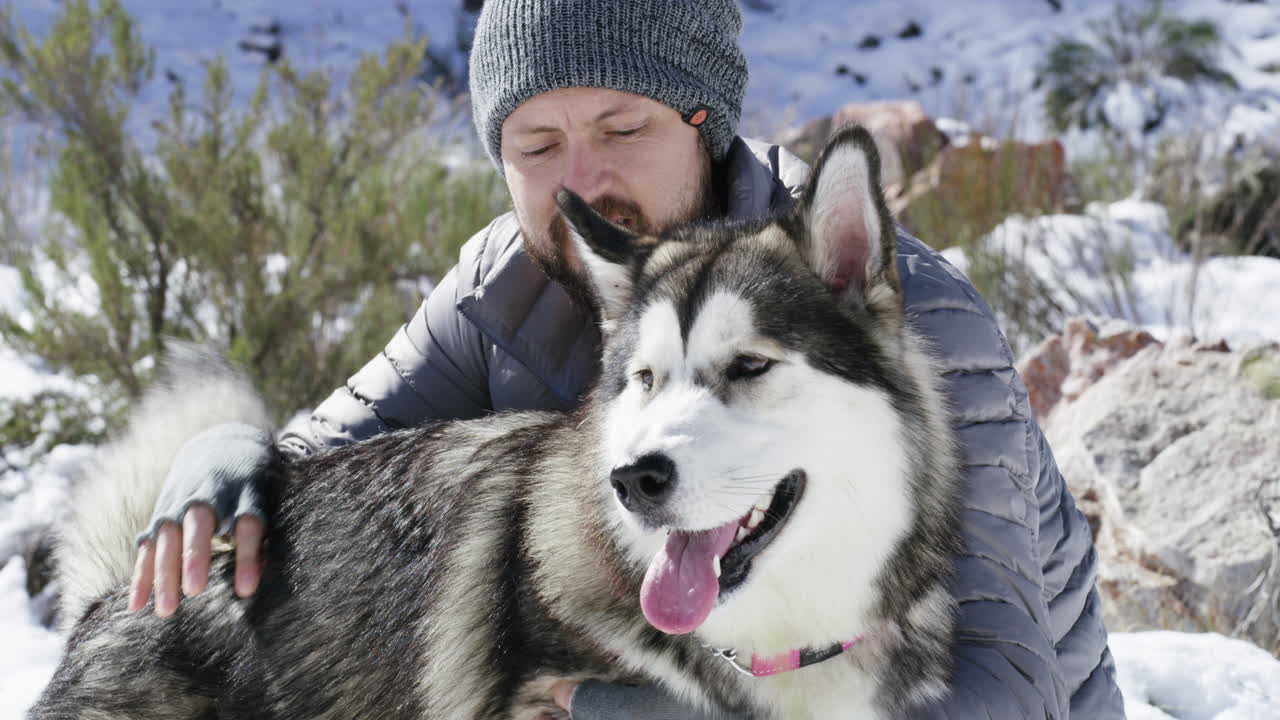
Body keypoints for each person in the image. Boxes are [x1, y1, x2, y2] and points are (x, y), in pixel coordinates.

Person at [127, 1, 1125, 717]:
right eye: (535, 146)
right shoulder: (507, 279)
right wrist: (229, 451)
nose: (581, 181)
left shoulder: (882, 313)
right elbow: (327, 462)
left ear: (705, 122)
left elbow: (1008, 689)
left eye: (619, 127)